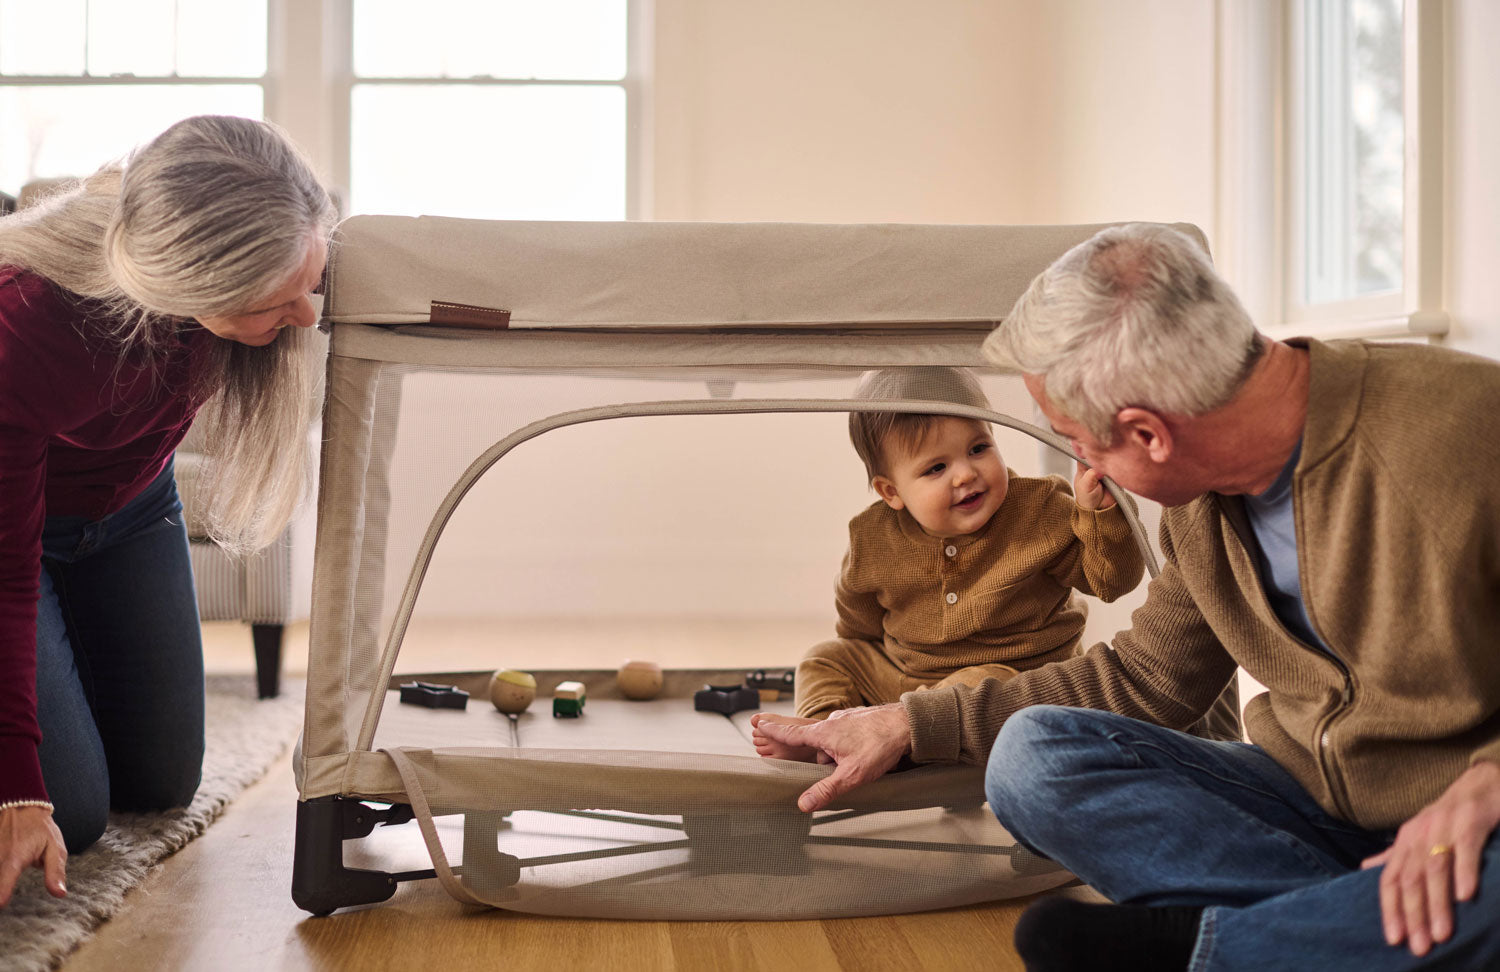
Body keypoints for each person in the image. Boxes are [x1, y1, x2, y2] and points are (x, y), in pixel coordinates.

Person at [753, 223, 1500, 969]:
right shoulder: (1202, 505)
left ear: (1148, 435)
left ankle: (1234, 951)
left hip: (1476, 814)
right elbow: (1148, 678)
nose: (1080, 463)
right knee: (1033, 759)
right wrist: (909, 722)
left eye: (1081, 443)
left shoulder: (1463, 435)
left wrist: (1489, 781)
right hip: (1312, 801)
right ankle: (1359, 928)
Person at [0, 115, 336, 908]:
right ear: (189, 283)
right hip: (24, 535)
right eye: (278, 301)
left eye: (310, 282)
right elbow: (6, 577)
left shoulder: (266, 277)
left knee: (159, 785)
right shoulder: (29, 325)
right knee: (70, 812)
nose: (309, 316)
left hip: (134, 511)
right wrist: (18, 787)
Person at [752, 366, 1144, 762]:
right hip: (907, 676)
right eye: (936, 468)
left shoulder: (1042, 509)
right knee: (826, 657)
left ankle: (894, 741)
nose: (966, 474)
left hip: (1008, 686)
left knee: (980, 682)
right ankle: (826, 732)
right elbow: (858, 624)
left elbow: (1111, 582)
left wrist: (1101, 517)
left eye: (978, 448)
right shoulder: (871, 537)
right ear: (892, 492)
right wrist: (864, 664)